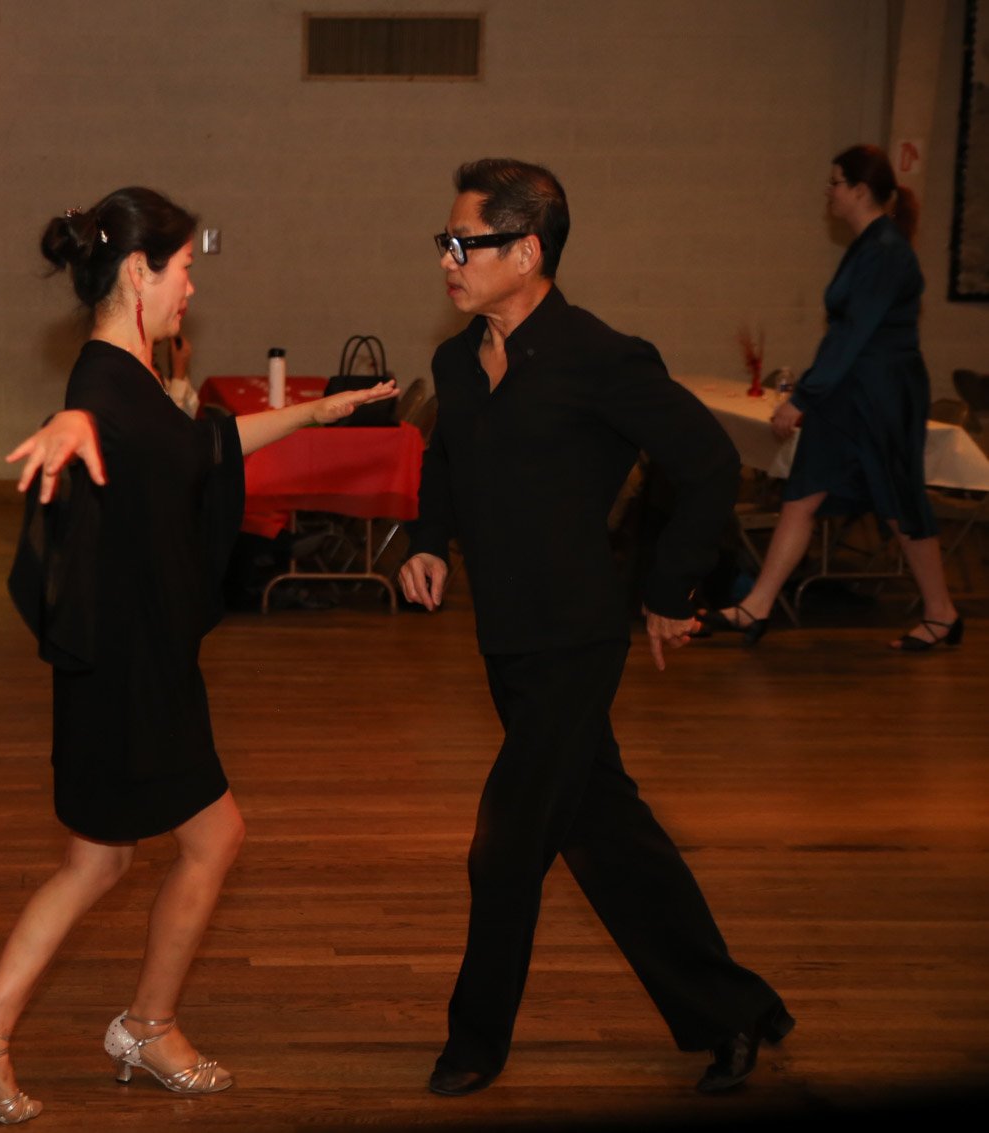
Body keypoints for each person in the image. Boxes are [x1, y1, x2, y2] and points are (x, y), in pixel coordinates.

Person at [0, 186, 394, 1125]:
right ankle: (135, 1027)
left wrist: (316, 414)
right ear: (139, 271)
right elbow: (84, 424)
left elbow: (199, 446)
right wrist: (69, 429)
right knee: (200, 841)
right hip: (131, 673)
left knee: (101, 864)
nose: (191, 287)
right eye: (183, 269)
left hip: (131, 665)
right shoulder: (102, 385)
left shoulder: (131, 375)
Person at [397, 158, 792, 1098]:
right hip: (504, 638)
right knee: (607, 834)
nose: (447, 259)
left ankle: (474, 1043)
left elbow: (707, 463)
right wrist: (427, 542)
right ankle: (736, 1009)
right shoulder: (457, 361)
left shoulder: (601, 356)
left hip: (576, 639)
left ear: (527, 251)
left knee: (505, 843)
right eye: (444, 242)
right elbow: (444, 460)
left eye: (465, 243)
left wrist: (668, 588)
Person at [698, 144, 962, 651]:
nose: (829, 191)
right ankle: (757, 607)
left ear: (860, 191)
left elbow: (854, 333)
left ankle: (942, 613)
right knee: (803, 493)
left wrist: (804, 397)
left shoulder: (886, 251)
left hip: (880, 394)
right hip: (849, 392)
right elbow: (844, 335)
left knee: (897, 500)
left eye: (835, 182)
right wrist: (813, 391)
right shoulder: (868, 246)